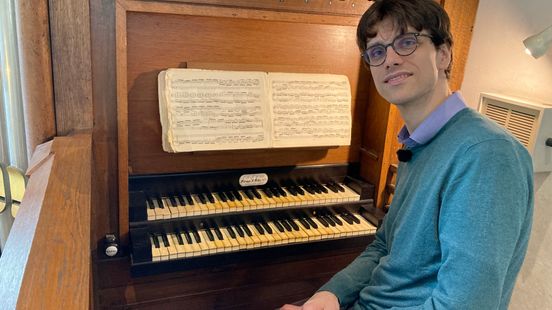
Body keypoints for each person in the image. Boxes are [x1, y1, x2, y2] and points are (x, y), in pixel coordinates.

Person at [281, 0, 534, 309]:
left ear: (444, 54)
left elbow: (466, 304)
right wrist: (331, 294)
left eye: (406, 42)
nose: (389, 59)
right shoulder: (419, 143)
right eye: (377, 51)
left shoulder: (486, 154)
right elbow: (385, 246)